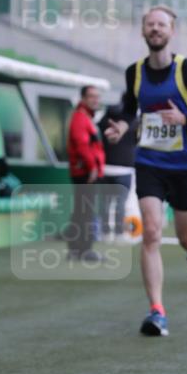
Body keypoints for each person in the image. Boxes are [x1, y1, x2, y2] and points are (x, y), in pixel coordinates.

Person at [105, 6, 187, 336]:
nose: (155, 29)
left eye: (161, 24)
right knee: (151, 232)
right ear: (143, 32)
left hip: (184, 165)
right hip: (149, 162)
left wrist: (186, 120)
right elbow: (131, 109)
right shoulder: (134, 72)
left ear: (171, 31)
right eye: (150, 24)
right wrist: (122, 126)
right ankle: (157, 311)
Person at [65, 85, 106, 260]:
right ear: (82, 98)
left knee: (82, 211)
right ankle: (83, 249)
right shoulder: (81, 118)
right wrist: (92, 168)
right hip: (85, 172)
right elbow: (81, 145)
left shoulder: (86, 117)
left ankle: (76, 249)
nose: (95, 100)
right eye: (91, 96)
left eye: (97, 96)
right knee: (85, 212)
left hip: (85, 171)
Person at [99, 102, 136, 240]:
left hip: (106, 169)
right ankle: (119, 232)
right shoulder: (132, 126)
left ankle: (105, 232)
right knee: (120, 203)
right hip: (123, 170)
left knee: (105, 203)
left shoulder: (103, 123)